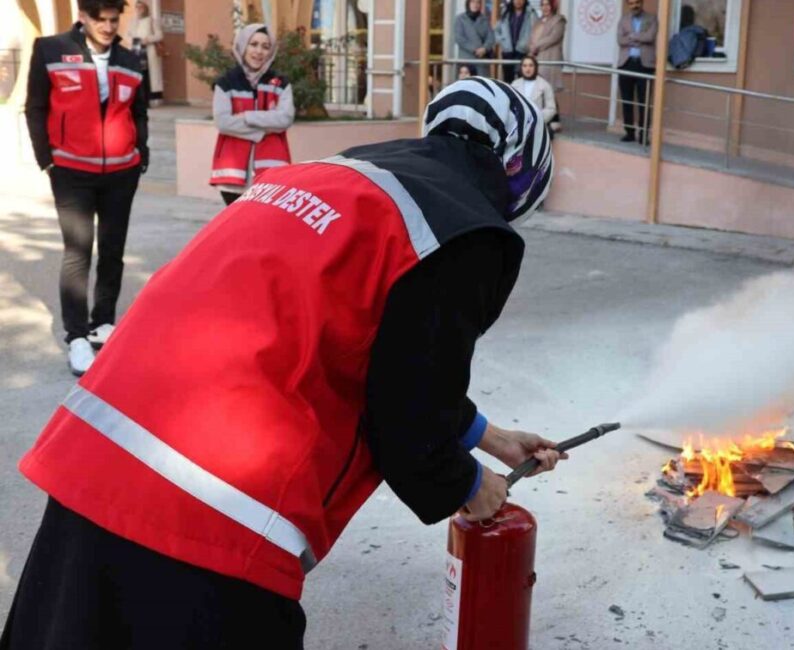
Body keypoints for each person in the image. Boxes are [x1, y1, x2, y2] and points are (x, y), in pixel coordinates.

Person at [1, 78, 557, 649]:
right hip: (214, 503)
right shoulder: (468, 229)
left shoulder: (331, 175)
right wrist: (466, 483)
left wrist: (490, 437)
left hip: (95, 458)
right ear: (522, 174)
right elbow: (407, 411)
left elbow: (376, 348)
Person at [23, 0, 149, 376]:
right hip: (72, 172)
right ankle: (77, 336)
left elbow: (138, 111)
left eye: (114, 20)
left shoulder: (129, 60)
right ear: (83, 17)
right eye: (101, 20)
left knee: (113, 251)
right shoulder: (51, 50)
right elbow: (35, 107)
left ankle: (103, 323)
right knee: (78, 253)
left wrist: (141, 154)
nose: (109, 27)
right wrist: (47, 159)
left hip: (121, 174)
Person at [210, 24, 295, 206]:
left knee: (267, 227)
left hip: (272, 170)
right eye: (253, 44)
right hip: (233, 175)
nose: (259, 51)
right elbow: (223, 122)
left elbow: (285, 118)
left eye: (265, 47)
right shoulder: (226, 82)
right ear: (242, 46)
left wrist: (248, 116)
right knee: (239, 229)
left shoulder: (280, 83)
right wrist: (261, 131)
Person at [616, 0, 657, 144]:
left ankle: (644, 135)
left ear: (642, 3)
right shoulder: (623, 19)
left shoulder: (652, 19)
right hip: (626, 63)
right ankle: (629, 132)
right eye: (632, 3)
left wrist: (632, 37)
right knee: (626, 100)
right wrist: (639, 38)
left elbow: (650, 37)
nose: (635, 6)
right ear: (628, 4)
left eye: (637, 2)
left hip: (644, 65)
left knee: (644, 102)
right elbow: (620, 40)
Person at [125, 0, 163, 104]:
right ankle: (138, 100)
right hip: (135, 52)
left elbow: (159, 35)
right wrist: (133, 40)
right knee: (137, 75)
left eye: (141, 7)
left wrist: (148, 39)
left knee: (146, 76)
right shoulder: (132, 22)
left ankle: (146, 100)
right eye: (137, 7)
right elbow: (126, 36)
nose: (139, 9)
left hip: (147, 52)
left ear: (145, 8)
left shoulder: (152, 21)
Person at [512, 55, 557, 136]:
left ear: (535, 67)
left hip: (538, 124)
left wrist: (536, 119)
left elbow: (551, 108)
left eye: (531, 65)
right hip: (517, 124)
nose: (528, 69)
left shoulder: (545, 85)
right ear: (521, 68)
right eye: (525, 66)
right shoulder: (515, 84)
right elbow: (510, 106)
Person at [495, 0, 537, 83]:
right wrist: (502, 41)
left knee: (522, 79)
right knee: (508, 80)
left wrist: (529, 45)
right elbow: (496, 30)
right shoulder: (506, 12)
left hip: (523, 51)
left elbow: (536, 31)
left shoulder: (531, 13)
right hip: (507, 51)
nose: (518, 1)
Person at [528, 0, 566, 93]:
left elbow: (553, 37)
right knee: (537, 92)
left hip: (550, 59)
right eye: (542, 5)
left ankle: (552, 108)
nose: (545, 8)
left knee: (549, 92)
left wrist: (536, 46)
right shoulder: (538, 21)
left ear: (552, 6)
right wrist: (530, 47)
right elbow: (531, 38)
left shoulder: (559, 20)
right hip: (536, 59)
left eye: (547, 5)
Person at [454, 0, 494, 77]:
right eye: (473, 2)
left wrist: (484, 49)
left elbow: (491, 38)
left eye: (478, 2)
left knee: (481, 84)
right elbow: (459, 38)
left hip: (482, 59)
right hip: (466, 59)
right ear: (468, 4)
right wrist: (474, 49)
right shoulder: (460, 19)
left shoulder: (485, 19)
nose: (475, 5)